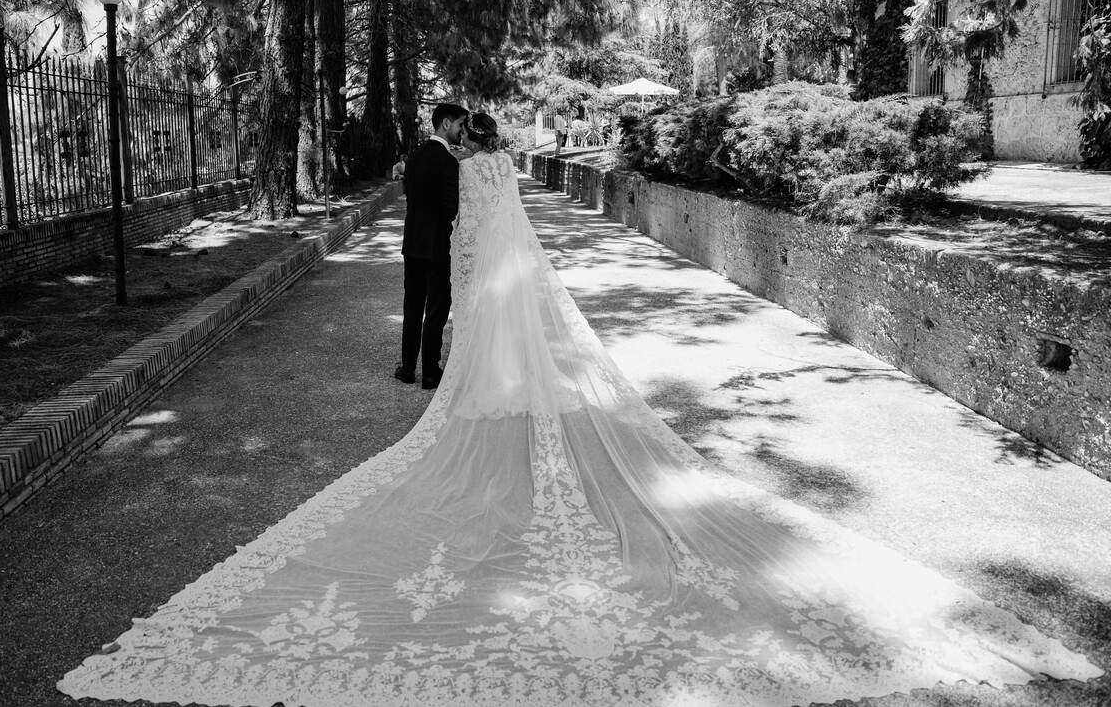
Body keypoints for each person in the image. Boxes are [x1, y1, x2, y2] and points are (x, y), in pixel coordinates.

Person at [60, 112, 1101, 705]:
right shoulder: (494, 170)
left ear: (465, 137)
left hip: (485, 303)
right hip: (509, 297)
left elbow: (472, 251)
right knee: (514, 371)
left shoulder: (466, 174)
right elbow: (491, 241)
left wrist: (463, 305)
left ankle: (480, 398)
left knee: (466, 408)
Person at [393, 103, 466, 390]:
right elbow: (450, 209)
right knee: (436, 308)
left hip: (413, 243)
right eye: (460, 124)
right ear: (446, 123)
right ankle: (431, 372)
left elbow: (410, 197)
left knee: (412, 306)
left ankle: (408, 368)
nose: (462, 131)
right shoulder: (448, 162)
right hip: (437, 246)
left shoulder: (413, 158)